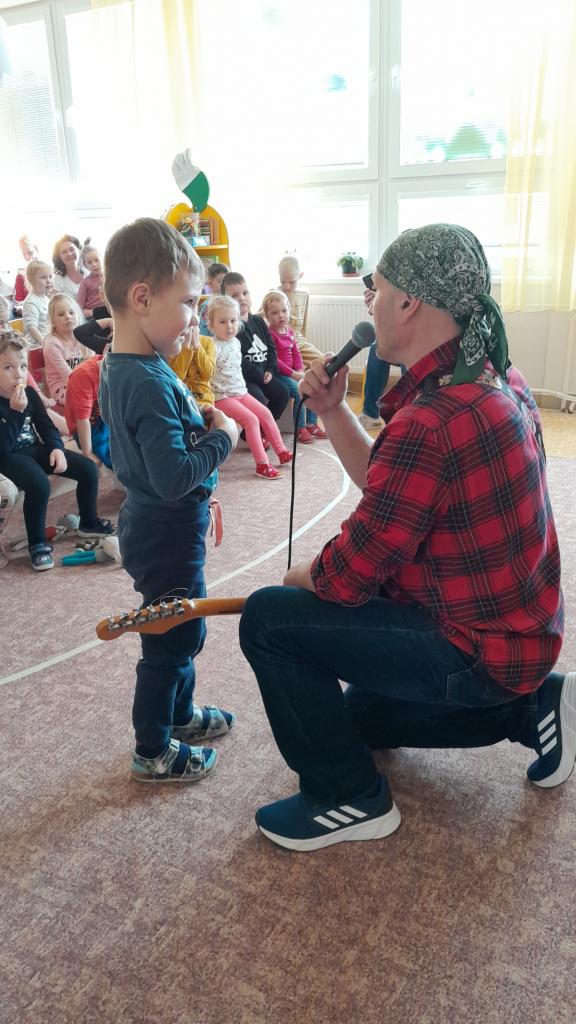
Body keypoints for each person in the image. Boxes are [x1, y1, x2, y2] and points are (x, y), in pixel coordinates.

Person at [239, 222, 573, 853]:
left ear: (409, 302)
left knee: (269, 620)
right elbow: (394, 484)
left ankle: (346, 797)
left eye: (377, 289)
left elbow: (349, 575)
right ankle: (533, 707)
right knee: (356, 719)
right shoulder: (494, 375)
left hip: (474, 646)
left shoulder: (433, 420)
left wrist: (299, 579)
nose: (370, 303)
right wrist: (334, 409)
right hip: (514, 637)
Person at [99, 217, 239, 784]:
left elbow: (152, 435)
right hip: (165, 534)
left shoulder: (127, 362)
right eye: (188, 302)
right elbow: (177, 476)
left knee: (185, 627)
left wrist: (193, 417)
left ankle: (179, 715)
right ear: (141, 298)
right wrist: (223, 438)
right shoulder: (147, 380)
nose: (196, 317)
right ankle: (152, 748)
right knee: (172, 637)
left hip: (157, 528)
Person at [0, 329, 114, 571]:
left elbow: (46, 426)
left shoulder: (29, 393)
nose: (18, 374)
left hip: (34, 449)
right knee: (39, 484)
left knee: (87, 468)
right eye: (8, 367)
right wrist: (15, 413)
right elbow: (3, 445)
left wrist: (56, 448)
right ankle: (37, 545)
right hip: (7, 456)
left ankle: (88, 522)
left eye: (22, 366)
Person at [206, 294, 293, 480]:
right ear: (211, 324)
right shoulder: (212, 347)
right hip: (221, 396)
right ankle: (262, 464)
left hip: (240, 392)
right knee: (251, 420)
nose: (229, 326)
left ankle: (282, 451)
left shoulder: (236, 342)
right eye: (222, 322)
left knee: (265, 413)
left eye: (233, 321)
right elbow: (205, 371)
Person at [221, 272, 289, 422]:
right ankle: (257, 428)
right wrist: (259, 374)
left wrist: (270, 370)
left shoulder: (258, 320)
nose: (242, 298)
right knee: (259, 400)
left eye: (245, 293)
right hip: (246, 379)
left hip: (265, 374)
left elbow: (271, 348)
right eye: (235, 295)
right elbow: (238, 359)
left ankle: (263, 429)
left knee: (283, 393)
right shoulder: (231, 327)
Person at [261, 289, 327, 444]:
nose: (281, 315)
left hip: (293, 373)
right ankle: (300, 428)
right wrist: (294, 374)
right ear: (267, 316)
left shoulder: (289, 331)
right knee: (299, 392)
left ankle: (311, 423)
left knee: (312, 385)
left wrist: (299, 369)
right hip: (279, 374)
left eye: (284, 311)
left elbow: (296, 352)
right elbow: (275, 361)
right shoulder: (270, 335)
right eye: (275, 313)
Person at [357, 277, 405, 430]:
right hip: (403, 333)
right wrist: (378, 307)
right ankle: (371, 415)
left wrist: (382, 305)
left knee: (407, 351)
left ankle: (409, 411)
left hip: (421, 336)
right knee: (377, 347)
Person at [65, 350, 112, 469]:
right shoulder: (83, 375)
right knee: (110, 455)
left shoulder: (123, 371)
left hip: (105, 418)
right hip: (88, 427)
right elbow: (82, 420)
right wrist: (88, 452)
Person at [43, 293, 90, 405]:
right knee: (93, 395)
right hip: (63, 389)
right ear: (53, 322)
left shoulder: (83, 337)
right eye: (61, 314)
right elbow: (69, 378)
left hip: (82, 384)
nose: (68, 317)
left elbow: (93, 365)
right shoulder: (52, 344)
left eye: (71, 312)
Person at [277, 255, 323, 368]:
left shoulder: (305, 293)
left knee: (323, 362)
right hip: (280, 341)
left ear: (300, 276)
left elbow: (304, 324)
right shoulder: (275, 294)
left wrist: (302, 340)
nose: (287, 286)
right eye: (283, 282)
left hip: (298, 340)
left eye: (292, 282)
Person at [22, 260, 53, 346]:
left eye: (50, 276)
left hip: (49, 342)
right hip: (37, 346)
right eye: (43, 277)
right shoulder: (31, 302)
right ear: (31, 280)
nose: (49, 280)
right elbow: (32, 328)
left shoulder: (46, 299)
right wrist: (45, 344)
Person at [51, 234, 86, 301]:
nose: (69, 254)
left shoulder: (90, 271)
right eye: (64, 252)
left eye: (71, 249)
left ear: (79, 250)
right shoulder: (57, 280)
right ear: (59, 257)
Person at [77, 241, 104, 318]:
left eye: (96, 260)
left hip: (110, 310)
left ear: (101, 258)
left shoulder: (110, 276)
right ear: (85, 266)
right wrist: (91, 313)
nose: (94, 264)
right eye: (89, 262)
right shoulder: (85, 282)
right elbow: (78, 306)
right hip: (94, 314)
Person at [12, 235, 39, 314]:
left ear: (36, 250)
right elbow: (18, 301)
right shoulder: (21, 275)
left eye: (30, 252)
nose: (27, 257)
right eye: (23, 253)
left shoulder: (49, 272)